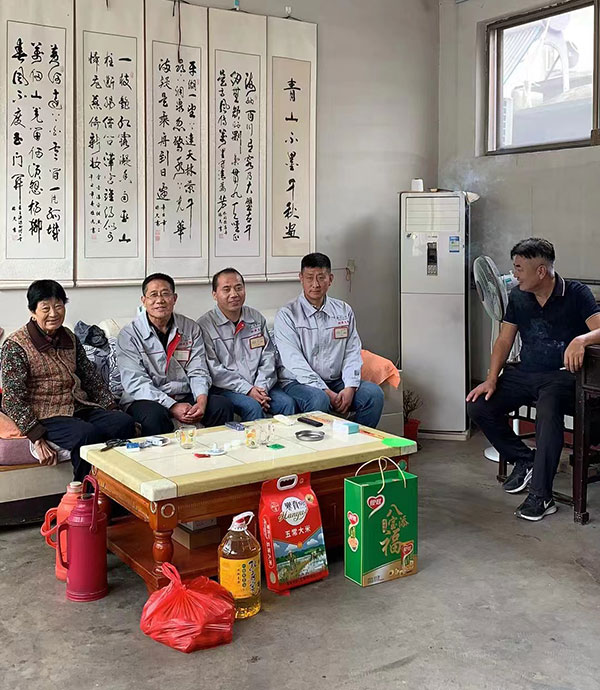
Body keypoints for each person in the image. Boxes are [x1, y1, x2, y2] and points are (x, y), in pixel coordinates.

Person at [467, 238, 600, 521]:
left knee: (548, 408)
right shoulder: (518, 296)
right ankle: (525, 459)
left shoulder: (576, 293)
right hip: (525, 373)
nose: (514, 274)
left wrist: (581, 340)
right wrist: (491, 379)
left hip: (562, 377)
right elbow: (504, 340)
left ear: (541, 271)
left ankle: (542, 496)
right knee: (479, 405)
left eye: (519, 268)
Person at [0, 280, 135, 481]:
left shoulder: (69, 337)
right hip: (45, 414)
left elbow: (90, 377)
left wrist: (111, 407)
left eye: (58, 306)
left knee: (123, 423)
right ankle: (85, 491)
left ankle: (120, 486)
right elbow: (12, 399)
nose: (53, 313)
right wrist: (35, 436)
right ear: (33, 311)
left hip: (78, 406)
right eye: (45, 308)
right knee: (86, 434)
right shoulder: (16, 345)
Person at [274, 252, 384, 427]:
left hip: (336, 380)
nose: (315, 284)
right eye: (309, 278)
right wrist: (325, 391)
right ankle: (321, 444)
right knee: (319, 400)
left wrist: (350, 386)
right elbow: (294, 361)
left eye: (321, 277)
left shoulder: (343, 310)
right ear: (301, 278)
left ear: (330, 279)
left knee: (373, 394)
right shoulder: (287, 314)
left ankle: (354, 441)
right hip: (298, 382)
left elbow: (352, 351)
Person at [116, 273, 233, 435]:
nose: (160, 300)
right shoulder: (129, 335)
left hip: (183, 394)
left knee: (222, 405)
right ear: (144, 300)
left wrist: (201, 401)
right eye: (153, 295)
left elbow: (198, 370)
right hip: (146, 398)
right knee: (154, 416)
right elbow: (136, 382)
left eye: (165, 294)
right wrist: (172, 406)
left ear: (174, 298)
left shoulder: (190, 328)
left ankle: (215, 450)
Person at [198, 268, 296, 421]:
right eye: (226, 289)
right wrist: (248, 390)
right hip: (227, 388)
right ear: (214, 294)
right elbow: (215, 370)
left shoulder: (255, 318)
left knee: (287, 403)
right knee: (252, 406)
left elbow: (268, 356)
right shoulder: (205, 325)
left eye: (238, 288)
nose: (234, 294)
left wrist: (261, 387)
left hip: (260, 384)